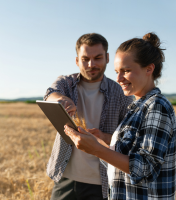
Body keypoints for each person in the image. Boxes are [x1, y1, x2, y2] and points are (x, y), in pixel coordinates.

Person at [64, 32, 176, 200]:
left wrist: (97, 149)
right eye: (117, 71)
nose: (118, 78)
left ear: (149, 69)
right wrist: (96, 143)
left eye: (126, 71)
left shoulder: (157, 106)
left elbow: (146, 169)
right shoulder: (135, 108)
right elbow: (122, 162)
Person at [44, 33, 133, 200]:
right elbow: (50, 94)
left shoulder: (121, 93)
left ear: (107, 58)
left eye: (98, 58)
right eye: (85, 59)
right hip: (66, 177)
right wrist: (62, 99)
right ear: (77, 61)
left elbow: (129, 139)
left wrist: (105, 137)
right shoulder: (66, 83)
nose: (91, 64)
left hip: (104, 182)